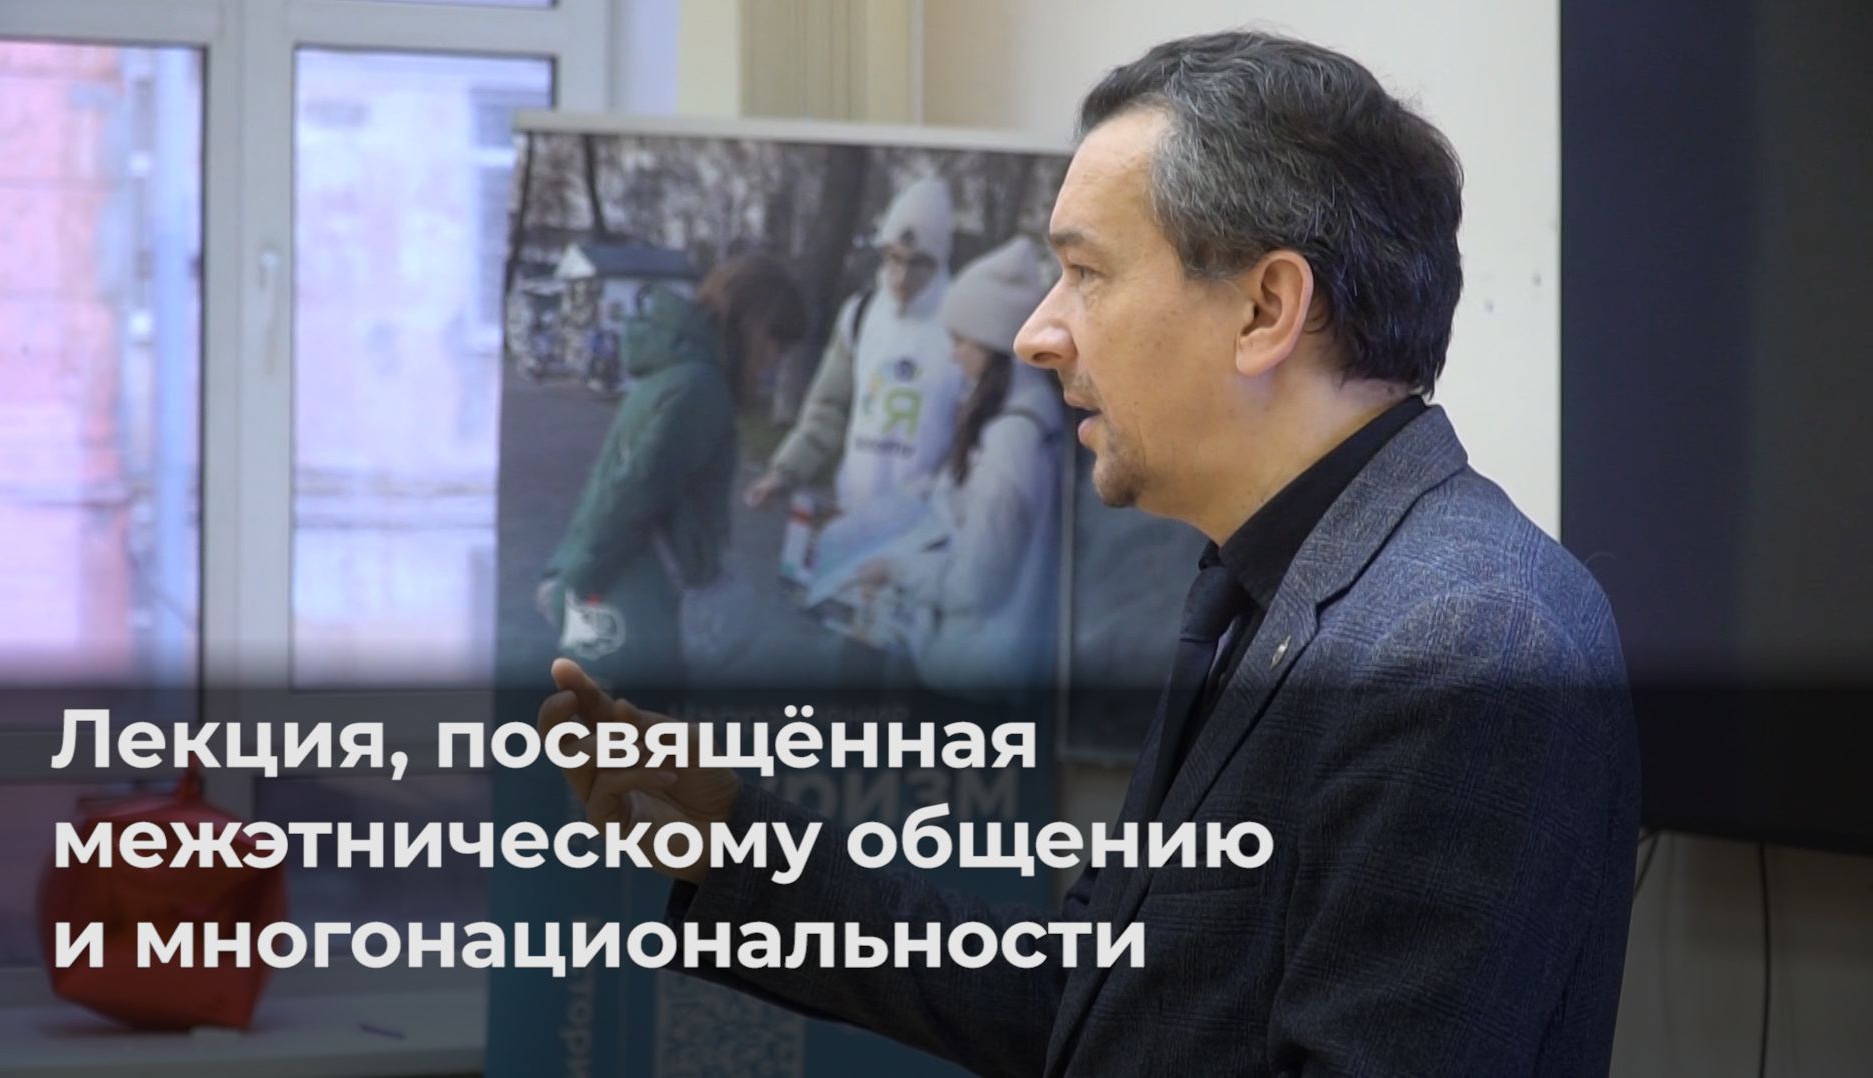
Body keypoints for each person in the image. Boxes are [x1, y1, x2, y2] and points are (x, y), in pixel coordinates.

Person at [541, 30, 1640, 1077]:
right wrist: (737, 842)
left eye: (1086, 272)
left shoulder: (1468, 642)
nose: (1036, 332)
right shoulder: (1268, 593)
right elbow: (1094, 1005)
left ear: (1266, 308)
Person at [537, 254, 807, 692]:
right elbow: (629, 498)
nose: (774, 362)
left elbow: (614, 488)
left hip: (625, 600)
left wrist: (568, 575)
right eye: (778, 343)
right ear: (754, 326)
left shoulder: (676, 374)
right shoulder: (700, 390)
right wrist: (572, 584)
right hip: (642, 609)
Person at [832, 236, 1064, 696]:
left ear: (994, 344)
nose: (952, 354)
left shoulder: (1009, 446)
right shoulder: (1026, 418)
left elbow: (975, 587)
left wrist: (896, 569)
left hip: (975, 679)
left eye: (960, 340)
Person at [744, 177, 963, 514]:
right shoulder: (860, 314)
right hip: (853, 512)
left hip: (924, 524)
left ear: (940, 260)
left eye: (918, 263)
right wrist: (786, 471)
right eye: (894, 258)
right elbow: (828, 407)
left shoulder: (964, 325)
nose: (902, 276)